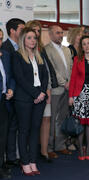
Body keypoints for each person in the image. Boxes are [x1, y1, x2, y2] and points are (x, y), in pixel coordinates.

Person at [13, 27, 48, 175]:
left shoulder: (39, 55)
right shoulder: (17, 56)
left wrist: (42, 93)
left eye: (34, 38)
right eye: (29, 38)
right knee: (24, 131)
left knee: (35, 131)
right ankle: (25, 162)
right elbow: (19, 78)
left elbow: (45, 76)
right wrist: (35, 94)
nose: (32, 40)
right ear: (23, 40)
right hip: (24, 99)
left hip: (39, 99)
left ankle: (33, 161)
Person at [25, 20, 58, 163]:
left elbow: (46, 73)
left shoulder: (41, 49)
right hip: (30, 94)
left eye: (38, 31)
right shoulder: (22, 52)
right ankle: (31, 153)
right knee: (32, 124)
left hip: (45, 91)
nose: (37, 34)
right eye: (34, 31)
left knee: (46, 119)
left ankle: (44, 152)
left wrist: (47, 89)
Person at [44, 25, 73, 159]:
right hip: (55, 89)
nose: (60, 35)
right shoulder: (46, 50)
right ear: (50, 34)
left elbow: (71, 67)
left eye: (62, 33)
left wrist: (71, 83)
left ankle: (60, 146)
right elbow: (52, 70)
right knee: (51, 120)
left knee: (62, 118)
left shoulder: (67, 50)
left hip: (67, 89)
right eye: (57, 33)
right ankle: (49, 148)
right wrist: (64, 83)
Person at [2, 18, 25, 168]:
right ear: (12, 31)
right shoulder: (5, 48)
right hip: (8, 96)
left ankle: (12, 156)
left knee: (14, 127)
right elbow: (10, 74)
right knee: (7, 128)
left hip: (20, 94)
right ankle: (7, 158)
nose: (24, 32)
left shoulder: (22, 47)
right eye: (22, 29)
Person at [0, 28, 15, 179]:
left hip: (4, 102)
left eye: (0, 38)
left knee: (2, 137)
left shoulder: (6, 55)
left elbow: (10, 76)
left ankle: (1, 167)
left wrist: (10, 88)